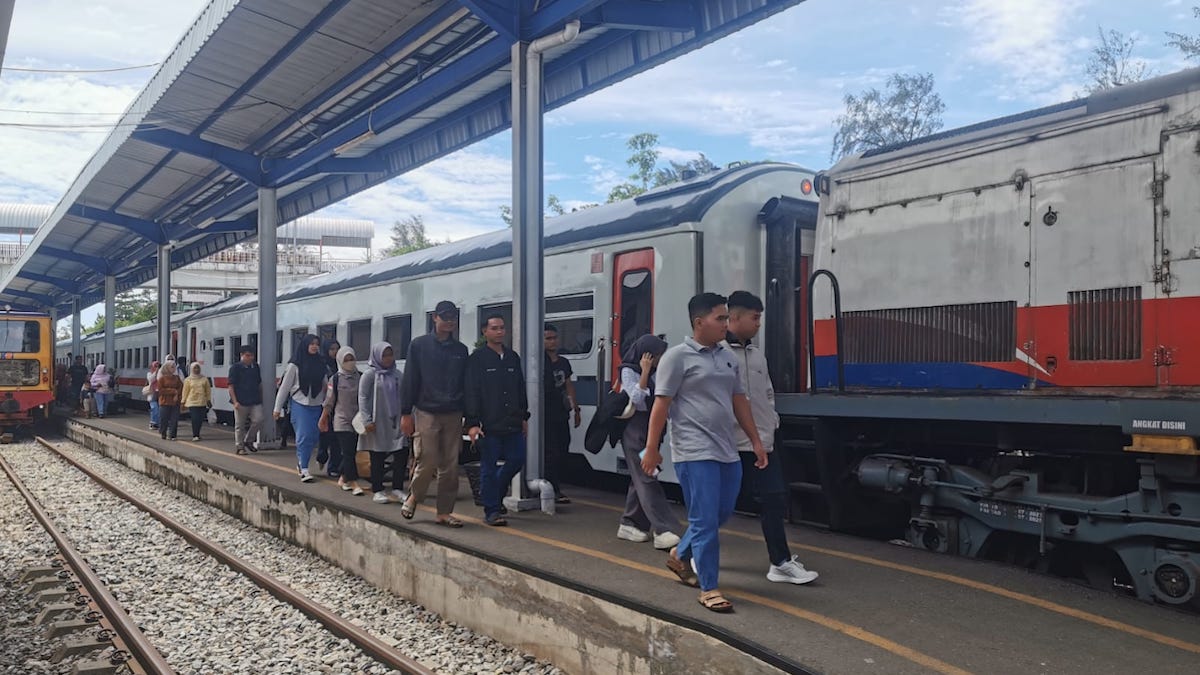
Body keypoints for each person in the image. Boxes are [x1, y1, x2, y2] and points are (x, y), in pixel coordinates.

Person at [644, 292, 768, 613]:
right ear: (699, 323)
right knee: (705, 520)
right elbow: (661, 404)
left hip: (727, 449)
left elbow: (739, 399)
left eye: (727, 318)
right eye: (720, 319)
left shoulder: (726, 356)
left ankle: (680, 554)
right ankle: (709, 587)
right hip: (693, 451)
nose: (726, 324)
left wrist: (755, 440)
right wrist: (651, 449)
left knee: (719, 514)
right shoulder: (677, 357)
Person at [724, 291, 820, 585]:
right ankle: (687, 552)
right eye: (755, 318)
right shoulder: (718, 355)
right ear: (735, 318)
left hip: (763, 443)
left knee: (775, 499)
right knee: (718, 506)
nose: (759, 324)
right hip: (731, 445)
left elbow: (766, 393)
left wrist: (772, 424)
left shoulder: (756, 355)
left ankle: (780, 562)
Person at [400, 301, 467, 525]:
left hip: (453, 411)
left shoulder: (461, 350)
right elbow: (410, 379)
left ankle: (444, 512)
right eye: (445, 316)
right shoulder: (419, 346)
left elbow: (464, 382)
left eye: (453, 317)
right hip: (426, 410)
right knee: (427, 459)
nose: (449, 321)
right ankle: (414, 496)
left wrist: (469, 414)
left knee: (450, 464)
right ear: (434, 318)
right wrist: (405, 413)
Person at [615, 334, 683, 549]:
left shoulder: (659, 372)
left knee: (641, 477)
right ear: (647, 355)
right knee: (647, 476)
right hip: (634, 429)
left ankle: (629, 523)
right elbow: (636, 398)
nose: (663, 359)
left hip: (652, 430)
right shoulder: (629, 370)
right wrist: (644, 372)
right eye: (659, 355)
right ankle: (665, 529)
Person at [465, 314, 529, 527]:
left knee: (517, 459)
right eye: (494, 328)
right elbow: (472, 391)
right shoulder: (477, 359)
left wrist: (524, 416)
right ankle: (491, 510)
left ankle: (493, 492)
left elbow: (520, 388)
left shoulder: (512, 357)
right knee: (488, 468)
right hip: (488, 424)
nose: (500, 331)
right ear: (485, 332)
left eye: (502, 328)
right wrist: (472, 423)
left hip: (512, 421)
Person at [357, 343, 409, 504]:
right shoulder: (370, 375)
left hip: (396, 421)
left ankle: (397, 488)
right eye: (384, 355)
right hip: (377, 420)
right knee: (377, 455)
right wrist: (366, 420)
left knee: (401, 453)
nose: (388, 359)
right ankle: (378, 490)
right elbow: (363, 397)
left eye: (390, 354)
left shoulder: (398, 374)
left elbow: (405, 396)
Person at [274, 334, 327, 483]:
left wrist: (328, 403)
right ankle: (304, 468)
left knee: (313, 437)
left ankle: (302, 462)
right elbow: (284, 388)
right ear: (305, 345)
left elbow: (326, 384)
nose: (315, 346)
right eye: (311, 344)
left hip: (317, 404)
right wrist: (277, 408)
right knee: (303, 435)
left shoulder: (321, 363)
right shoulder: (294, 365)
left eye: (317, 344)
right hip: (300, 403)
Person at [542, 323, 580, 504]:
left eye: (554, 338)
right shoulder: (538, 362)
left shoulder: (564, 362)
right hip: (544, 414)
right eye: (548, 338)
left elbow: (568, 385)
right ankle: (553, 489)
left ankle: (555, 485)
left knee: (564, 448)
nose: (552, 342)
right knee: (551, 452)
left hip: (561, 412)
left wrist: (576, 409)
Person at [320, 345, 365, 494]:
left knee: (352, 451)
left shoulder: (361, 377)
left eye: (351, 358)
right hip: (341, 420)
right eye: (346, 359)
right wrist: (323, 418)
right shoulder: (335, 379)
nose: (350, 362)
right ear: (340, 360)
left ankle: (343, 476)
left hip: (358, 420)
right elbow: (329, 401)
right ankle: (353, 482)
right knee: (347, 452)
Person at [228, 345, 263, 455]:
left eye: (252, 355)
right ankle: (240, 446)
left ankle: (249, 440)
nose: (250, 358)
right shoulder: (235, 368)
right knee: (240, 425)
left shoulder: (256, 367)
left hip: (254, 399)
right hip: (240, 400)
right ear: (241, 355)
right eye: (248, 355)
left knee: (259, 419)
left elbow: (259, 383)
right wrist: (235, 401)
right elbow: (230, 386)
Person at [316, 338, 342, 476]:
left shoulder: (342, 365)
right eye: (332, 349)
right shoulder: (322, 365)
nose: (335, 352)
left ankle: (333, 467)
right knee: (325, 435)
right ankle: (322, 456)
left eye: (337, 348)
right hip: (324, 404)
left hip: (339, 405)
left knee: (336, 437)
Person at [181, 362, 212, 441]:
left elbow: (208, 390)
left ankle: (197, 433)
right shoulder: (188, 380)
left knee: (200, 419)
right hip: (192, 402)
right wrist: (183, 402)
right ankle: (195, 435)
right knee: (195, 418)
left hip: (202, 401)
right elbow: (185, 391)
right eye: (195, 368)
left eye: (198, 368)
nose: (196, 369)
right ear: (191, 369)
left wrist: (209, 400)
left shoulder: (204, 379)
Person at [157, 360, 183, 440]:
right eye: (172, 367)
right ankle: (163, 432)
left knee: (174, 419)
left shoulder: (177, 378)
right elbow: (161, 390)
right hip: (164, 401)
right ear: (167, 368)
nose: (174, 368)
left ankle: (172, 435)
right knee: (164, 419)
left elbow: (181, 387)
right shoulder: (162, 379)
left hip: (175, 401)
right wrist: (173, 391)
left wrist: (177, 394)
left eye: (174, 367)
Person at [146, 361, 161, 430]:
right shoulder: (149, 373)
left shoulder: (161, 374)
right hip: (152, 393)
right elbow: (151, 380)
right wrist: (156, 372)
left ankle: (158, 423)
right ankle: (153, 423)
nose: (157, 368)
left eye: (158, 366)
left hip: (160, 393)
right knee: (154, 408)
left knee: (159, 409)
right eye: (155, 366)